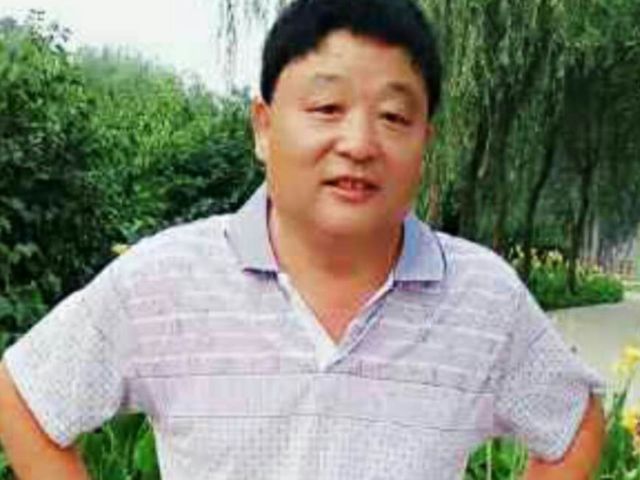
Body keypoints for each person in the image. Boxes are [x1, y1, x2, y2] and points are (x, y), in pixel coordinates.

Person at [0, 0, 605, 478]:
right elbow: (25, 396)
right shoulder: (164, 280)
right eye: (326, 107)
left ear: (425, 143)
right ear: (264, 128)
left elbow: (574, 424)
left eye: (394, 117)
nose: (359, 143)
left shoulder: (483, 297)